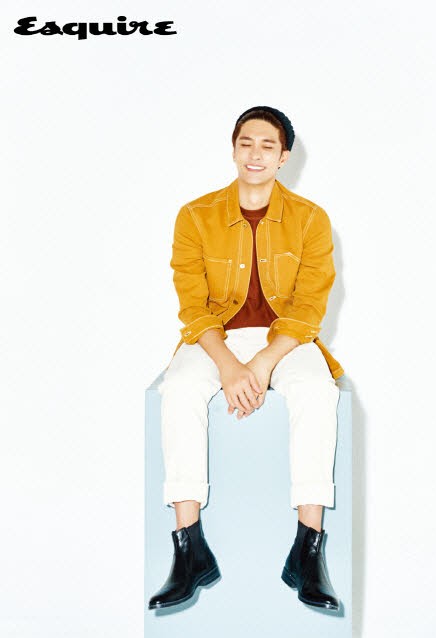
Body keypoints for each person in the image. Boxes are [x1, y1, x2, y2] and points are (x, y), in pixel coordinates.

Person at [148, 106, 345, 611]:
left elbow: (308, 308)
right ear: (234, 149)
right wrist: (230, 364)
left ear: (284, 157)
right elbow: (193, 307)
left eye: (267, 146)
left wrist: (261, 363)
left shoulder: (311, 219)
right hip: (215, 339)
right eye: (246, 143)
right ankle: (188, 549)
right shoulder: (195, 216)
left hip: (286, 341)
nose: (255, 154)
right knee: (179, 388)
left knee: (317, 390)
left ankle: (308, 551)